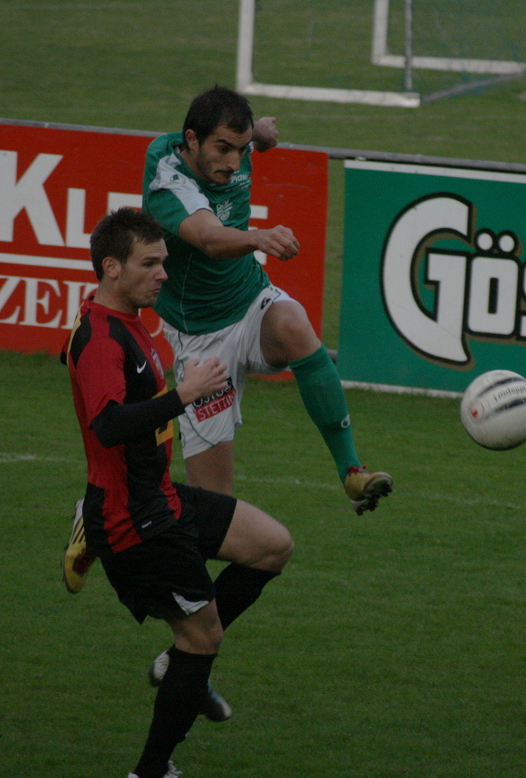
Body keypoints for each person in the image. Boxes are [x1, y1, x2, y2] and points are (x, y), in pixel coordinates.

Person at [64, 208, 293, 778]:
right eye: (151, 263)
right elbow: (109, 424)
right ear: (112, 269)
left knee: (272, 545)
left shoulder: (126, 321)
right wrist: (184, 396)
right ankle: (151, 769)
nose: (163, 274)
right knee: (204, 637)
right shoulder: (99, 337)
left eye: (164, 261)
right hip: (134, 520)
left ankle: (176, 658)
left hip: (161, 497)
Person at [141, 84, 392, 509]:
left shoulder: (232, 145)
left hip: (251, 301)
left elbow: (246, 135)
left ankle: (351, 471)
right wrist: (259, 236)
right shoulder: (168, 177)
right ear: (191, 141)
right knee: (212, 507)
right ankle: (106, 524)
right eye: (223, 148)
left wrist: (259, 131)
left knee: (295, 325)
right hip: (201, 338)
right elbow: (209, 238)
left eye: (241, 149)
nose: (233, 161)